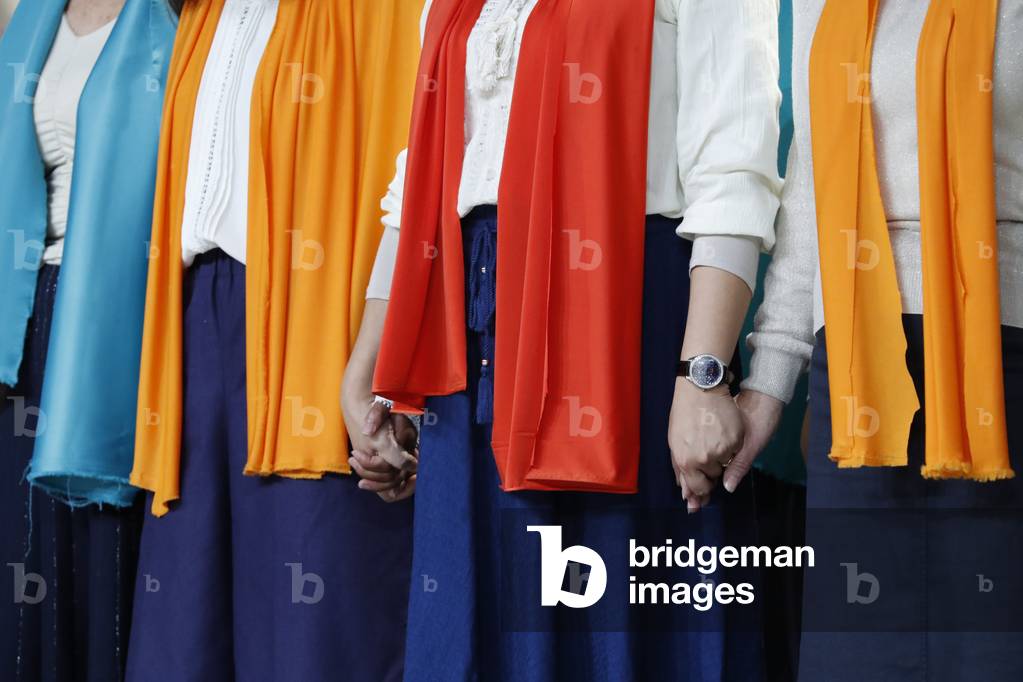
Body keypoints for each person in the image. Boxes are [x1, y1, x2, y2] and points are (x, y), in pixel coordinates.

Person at [342, 0, 783, 678]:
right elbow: (425, 177)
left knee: (614, 622)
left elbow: (733, 165)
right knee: (469, 611)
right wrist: (369, 369)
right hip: (470, 317)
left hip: (624, 319)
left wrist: (703, 372)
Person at [125, 1, 424, 680]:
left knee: (312, 628)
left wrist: (395, 367)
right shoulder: (205, 13)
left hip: (325, 329)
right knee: (185, 625)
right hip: (200, 316)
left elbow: (418, 179)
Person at [729, 0, 1023, 678]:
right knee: (856, 655)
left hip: (1002, 360)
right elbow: (810, 195)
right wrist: (770, 383)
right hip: (858, 373)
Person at [0, 0, 175, 678]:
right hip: (27, 314)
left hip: (119, 315)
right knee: (21, 548)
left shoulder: (172, 16)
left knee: (99, 545)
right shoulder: (26, 13)